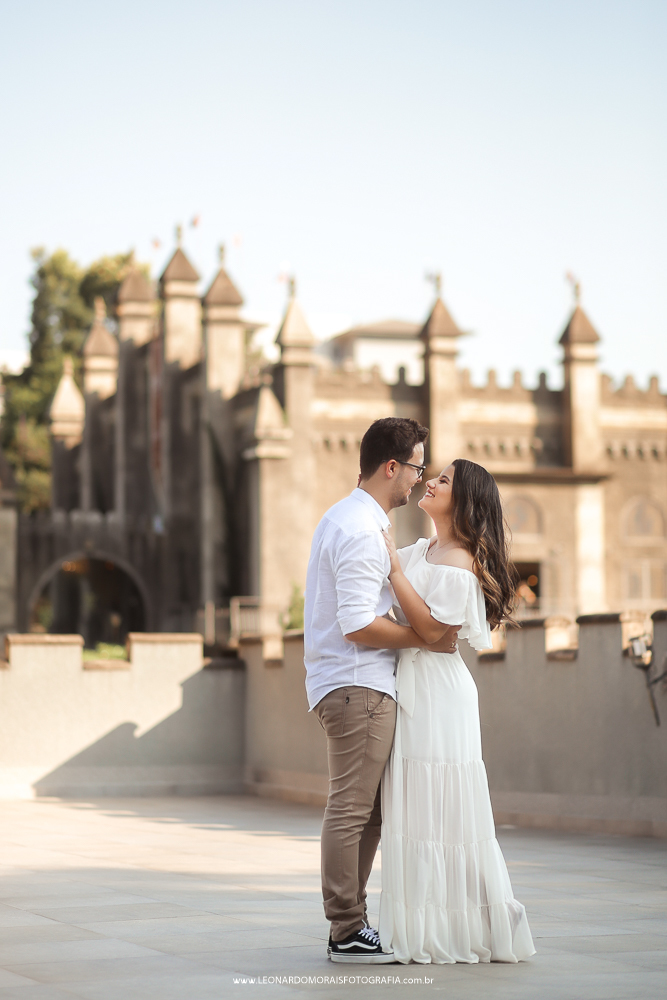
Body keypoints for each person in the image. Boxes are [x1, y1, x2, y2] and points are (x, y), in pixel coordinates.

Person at [304, 418, 460, 964]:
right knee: (351, 809)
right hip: (357, 685)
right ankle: (345, 927)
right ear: (392, 467)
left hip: (349, 684)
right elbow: (355, 622)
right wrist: (421, 638)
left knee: (363, 810)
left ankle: (351, 923)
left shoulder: (348, 518)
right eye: (417, 467)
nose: (420, 480)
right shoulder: (360, 528)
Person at [379, 458, 536, 965]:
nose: (429, 481)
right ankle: (427, 923)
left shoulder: (461, 559)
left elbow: (431, 633)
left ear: (464, 499)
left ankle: (480, 922)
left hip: (440, 697)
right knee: (416, 810)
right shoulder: (422, 549)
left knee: (446, 812)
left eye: (443, 479)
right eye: (433, 474)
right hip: (412, 684)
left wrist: (397, 573)